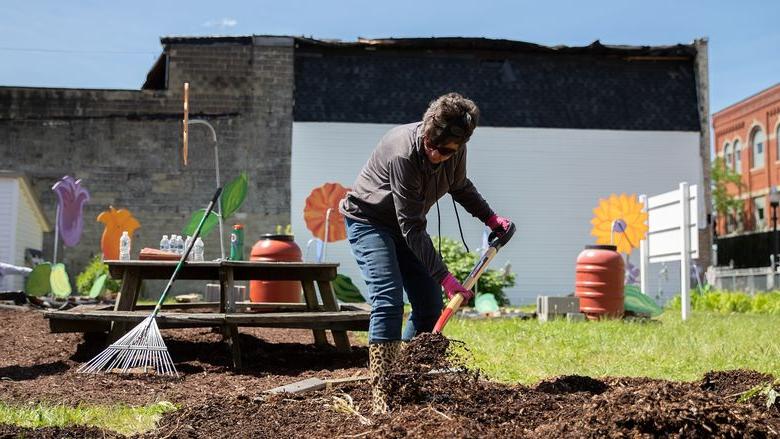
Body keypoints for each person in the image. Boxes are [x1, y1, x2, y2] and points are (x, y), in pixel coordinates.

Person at [339, 92, 512, 413]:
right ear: (427, 129)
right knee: (389, 302)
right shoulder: (402, 152)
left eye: (445, 150)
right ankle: (384, 398)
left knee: (429, 307)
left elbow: (459, 185)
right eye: (431, 145)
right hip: (369, 221)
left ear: (460, 144)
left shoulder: (456, 151)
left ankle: (407, 381)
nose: (435, 154)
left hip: (406, 226)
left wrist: (490, 218)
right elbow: (412, 227)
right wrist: (446, 278)